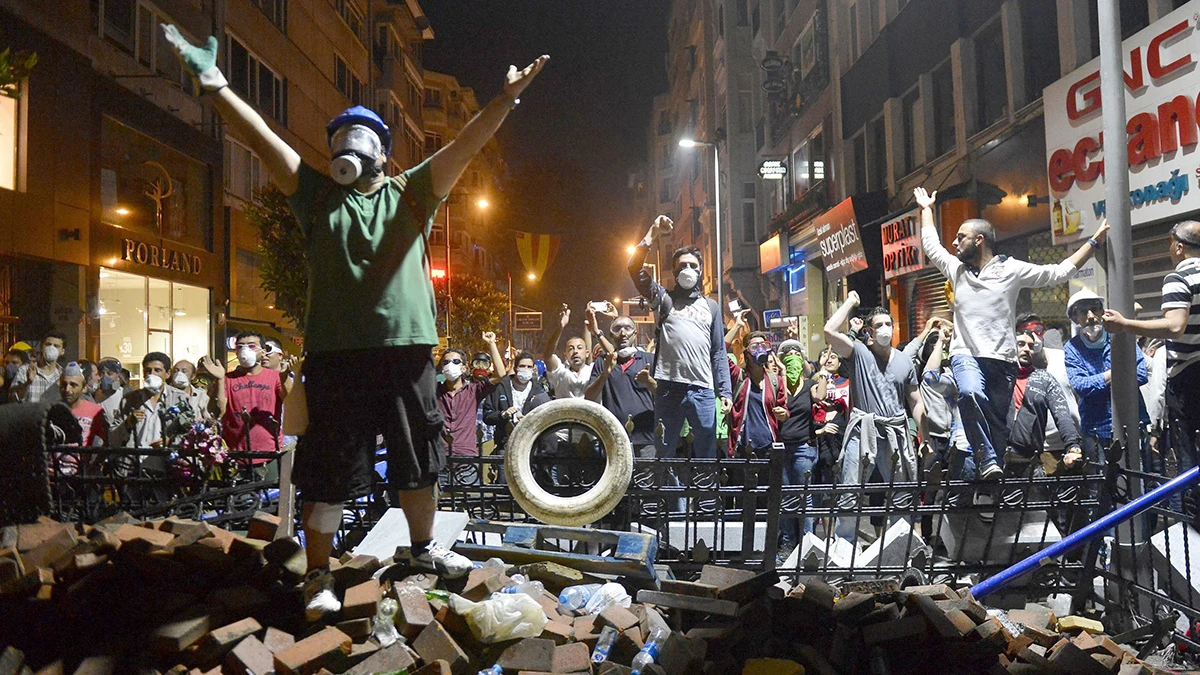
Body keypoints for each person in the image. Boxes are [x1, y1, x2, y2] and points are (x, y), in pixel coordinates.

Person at [162, 19, 546, 619]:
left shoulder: (412, 193)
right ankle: (319, 574)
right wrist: (215, 85)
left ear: (384, 156)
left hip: (407, 350)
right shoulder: (315, 197)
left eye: (364, 135)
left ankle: (422, 550)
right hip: (335, 355)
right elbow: (262, 137)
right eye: (343, 134)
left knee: (418, 456)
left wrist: (505, 99)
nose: (352, 142)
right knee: (327, 468)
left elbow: (465, 146)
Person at [913, 186, 1108, 480]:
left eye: (960, 238)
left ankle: (994, 471)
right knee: (968, 392)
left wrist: (1093, 242)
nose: (953, 243)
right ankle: (985, 458)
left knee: (998, 425)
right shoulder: (957, 270)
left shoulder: (1011, 269)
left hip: (1002, 361)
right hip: (966, 355)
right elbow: (930, 245)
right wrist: (926, 208)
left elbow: (1059, 272)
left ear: (979, 240)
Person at [1104, 219, 1200, 520]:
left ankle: (1194, 528)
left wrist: (1125, 324)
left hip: (1189, 377)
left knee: (1188, 460)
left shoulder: (1178, 276)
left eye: (1171, 244)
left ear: (1180, 247)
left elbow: (1174, 325)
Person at [628, 215, 733, 459]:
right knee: (665, 452)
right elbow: (633, 268)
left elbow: (718, 351)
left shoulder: (712, 307)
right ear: (674, 272)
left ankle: (705, 498)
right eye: (682, 266)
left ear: (701, 270)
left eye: (693, 266)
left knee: (706, 455)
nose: (688, 270)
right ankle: (675, 499)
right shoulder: (663, 299)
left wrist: (724, 391)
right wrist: (652, 233)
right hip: (668, 388)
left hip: (703, 390)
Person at [824, 294, 924, 542]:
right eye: (878, 325)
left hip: (894, 433)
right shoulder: (858, 352)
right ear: (869, 331)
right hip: (864, 431)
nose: (884, 329)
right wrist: (849, 303)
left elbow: (916, 401)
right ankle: (844, 547)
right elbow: (829, 330)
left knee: (901, 495)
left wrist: (926, 436)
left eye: (888, 324)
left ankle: (900, 545)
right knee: (849, 492)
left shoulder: (904, 361)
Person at [1063, 289, 1149, 468]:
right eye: (1083, 312)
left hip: (1132, 425)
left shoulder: (1121, 337)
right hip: (1096, 431)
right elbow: (1081, 386)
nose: (1091, 316)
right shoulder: (1072, 348)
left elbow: (1140, 373)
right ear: (1074, 319)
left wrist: (1100, 381)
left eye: (1095, 309)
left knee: (1139, 483)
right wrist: (1118, 371)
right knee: (1101, 489)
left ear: (1103, 312)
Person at [1007, 329, 1084, 479]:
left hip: (1030, 461)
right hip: (998, 462)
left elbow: (1062, 415)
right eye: (1021, 344)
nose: (1026, 349)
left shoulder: (1044, 379)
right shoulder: (998, 377)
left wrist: (1072, 446)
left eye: (1030, 346)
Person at [202, 331, 286, 463]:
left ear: (263, 352)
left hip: (269, 455)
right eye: (240, 347)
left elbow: (290, 401)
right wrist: (219, 380)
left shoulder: (275, 377)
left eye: (252, 346)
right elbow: (216, 412)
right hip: (235, 456)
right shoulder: (227, 379)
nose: (245, 350)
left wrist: (287, 378)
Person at [776, 338, 820, 547]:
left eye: (796, 354)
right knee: (785, 498)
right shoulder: (778, 384)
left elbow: (819, 397)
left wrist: (822, 376)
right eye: (787, 354)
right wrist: (782, 372)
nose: (792, 357)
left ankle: (807, 542)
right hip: (781, 446)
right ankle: (788, 542)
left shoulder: (810, 385)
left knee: (804, 497)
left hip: (803, 447)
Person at [482, 351, 552, 482]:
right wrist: (503, 415)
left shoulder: (539, 391)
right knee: (504, 485)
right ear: (515, 368)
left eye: (529, 367)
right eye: (522, 366)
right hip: (506, 445)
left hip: (530, 447)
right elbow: (487, 416)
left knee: (527, 486)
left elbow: (546, 416)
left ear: (533, 369)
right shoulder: (501, 387)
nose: (525, 370)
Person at [728, 332, 788, 458]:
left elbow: (784, 409)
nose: (760, 350)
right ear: (747, 353)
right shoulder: (739, 376)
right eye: (754, 346)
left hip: (769, 447)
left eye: (764, 346)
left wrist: (783, 414)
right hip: (743, 447)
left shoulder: (775, 380)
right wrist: (737, 326)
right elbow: (719, 352)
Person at [54, 362, 107, 475]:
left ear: (84, 388)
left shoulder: (95, 411)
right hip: (55, 476)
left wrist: (95, 465)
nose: (67, 389)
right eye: (64, 385)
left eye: (73, 385)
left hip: (81, 476)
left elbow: (107, 442)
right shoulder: (52, 410)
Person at [543, 304, 594, 400]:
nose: (575, 351)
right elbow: (548, 356)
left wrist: (588, 322)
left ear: (587, 353)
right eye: (571, 348)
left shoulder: (593, 371)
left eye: (579, 348)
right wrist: (560, 328)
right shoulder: (560, 373)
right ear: (565, 355)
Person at [8, 332, 65, 403]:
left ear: (62, 351)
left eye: (56, 346)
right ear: (41, 347)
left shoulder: (63, 375)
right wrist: (28, 383)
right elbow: (13, 398)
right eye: (48, 344)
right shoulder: (25, 370)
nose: (51, 348)